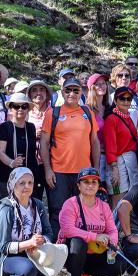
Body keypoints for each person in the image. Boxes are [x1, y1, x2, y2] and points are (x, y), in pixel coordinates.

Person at [0, 167, 54, 276]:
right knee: (29, 269)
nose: (27, 186)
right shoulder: (5, 209)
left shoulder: (37, 205)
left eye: (30, 183)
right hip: (7, 257)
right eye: (21, 183)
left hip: (32, 251)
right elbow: (3, 247)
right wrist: (29, 244)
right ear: (12, 185)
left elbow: (49, 233)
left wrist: (41, 240)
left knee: (52, 258)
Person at [41, 76, 101, 235]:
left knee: (82, 211)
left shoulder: (87, 112)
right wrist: (48, 169)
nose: (72, 93)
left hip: (84, 172)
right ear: (62, 91)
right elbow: (44, 143)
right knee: (58, 211)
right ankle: (58, 249)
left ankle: (79, 249)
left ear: (81, 92)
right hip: (59, 171)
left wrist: (96, 169)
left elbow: (95, 142)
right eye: (68, 89)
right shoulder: (52, 113)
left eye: (76, 90)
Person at [56, 167, 121, 276]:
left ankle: (83, 272)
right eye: (86, 182)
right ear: (79, 186)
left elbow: (112, 230)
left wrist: (112, 244)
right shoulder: (71, 204)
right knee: (78, 242)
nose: (90, 185)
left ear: (98, 186)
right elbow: (68, 229)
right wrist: (95, 236)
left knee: (118, 267)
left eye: (94, 182)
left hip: (94, 252)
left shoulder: (104, 206)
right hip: (71, 251)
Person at [0, 92, 39, 203]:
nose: (20, 109)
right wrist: (11, 162)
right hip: (6, 177)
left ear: (28, 109)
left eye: (24, 106)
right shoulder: (4, 127)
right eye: (16, 106)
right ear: (10, 109)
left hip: (27, 178)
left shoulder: (31, 127)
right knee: (7, 210)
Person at [101, 86, 138, 207]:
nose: (125, 102)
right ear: (115, 101)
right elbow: (110, 144)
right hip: (118, 162)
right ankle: (115, 225)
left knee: (132, 196)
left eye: (129, 99)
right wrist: (114, 169)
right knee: (118, 196)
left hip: (130, 160)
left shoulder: (127, 117)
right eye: (122, 99)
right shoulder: (112, 119)